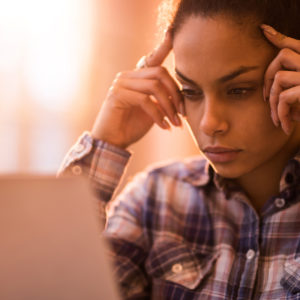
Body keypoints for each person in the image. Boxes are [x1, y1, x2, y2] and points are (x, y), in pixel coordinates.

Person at [59, 0, 300, 298]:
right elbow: (44, 285)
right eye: (190, 91)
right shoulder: (155, 200)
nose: (209, 123)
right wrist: (106, 142)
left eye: (239, 90)